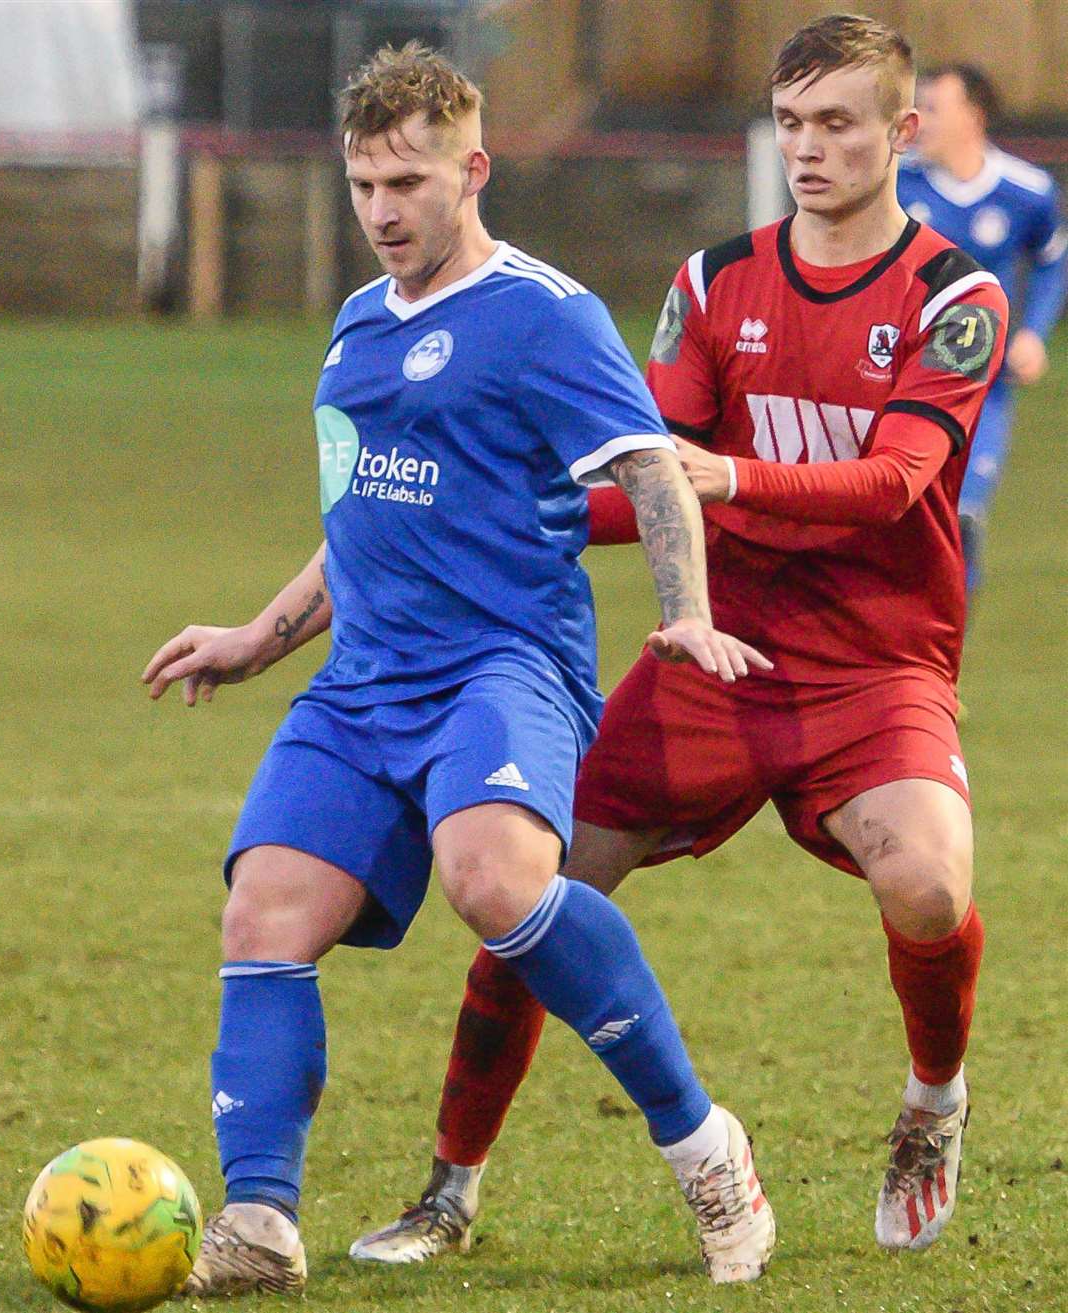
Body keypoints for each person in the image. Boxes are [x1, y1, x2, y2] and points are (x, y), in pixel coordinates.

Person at [348, 13, 1009, 1266]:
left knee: (929, 883)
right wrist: (481, 510)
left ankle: (933, 1098)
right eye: (793, 124)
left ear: (901, 134)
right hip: (714, 649)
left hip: (877, 664)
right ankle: (449, 1188)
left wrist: (726, 477)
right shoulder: (713, 283)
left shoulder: (953, 294)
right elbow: (645, 478)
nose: (810, 150)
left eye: (840, 125)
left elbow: (897, 480)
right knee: (528, 889)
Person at [142, 42, 777, 1298]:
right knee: (263, 911)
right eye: (365, 182)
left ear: (472, 171)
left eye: (410, 183)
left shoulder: (545, 315)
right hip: (362, 684)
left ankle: (707, 1147)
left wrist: (687, 613)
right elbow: (356, 518)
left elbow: (649, 465)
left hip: (504, 665)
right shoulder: (354, 326)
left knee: (494, 879)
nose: (383, 210)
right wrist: (257, 639)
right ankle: (260, 1223)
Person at [898, 63, 1066, 598]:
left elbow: (1053, 260)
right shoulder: (896, 184)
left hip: (983, 388)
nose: (920, 120)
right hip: (896, 381)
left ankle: (942, 667)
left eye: (936, 107)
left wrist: (1034, 332)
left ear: (973, 115)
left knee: (961, 519)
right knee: (894, 518)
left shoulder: (1027, 190)